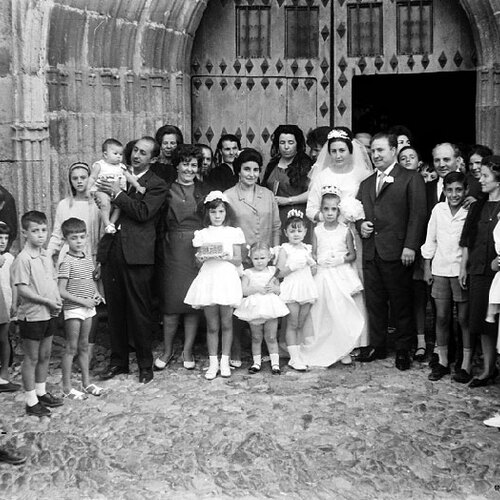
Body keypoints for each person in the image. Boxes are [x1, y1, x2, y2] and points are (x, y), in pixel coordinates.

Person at [97, 136, 168, 384]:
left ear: (154, 158)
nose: (136, 155)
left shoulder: (156, 184)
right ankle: (119, 363)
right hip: (113, 251)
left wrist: (117, 194)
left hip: (138, 255)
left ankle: (145, 365)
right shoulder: (117, 172)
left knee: (140, 312)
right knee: (114, 311)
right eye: (135, 150)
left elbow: (143, 213)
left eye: (143, 153)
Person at [356, 132, 427, 370]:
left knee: (401, 302)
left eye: (380, 150)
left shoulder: (410, 178)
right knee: (375, 302)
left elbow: (417, 215)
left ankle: (403, 349)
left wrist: (410, 246)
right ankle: (377, 344)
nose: (375, 155)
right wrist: (361, 225)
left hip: (397, 250)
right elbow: (359, 212)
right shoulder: (366, 183)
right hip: (372, 251)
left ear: (394, 150)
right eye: (373, 151)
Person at [306, 127, 372, 349]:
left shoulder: (361, 175)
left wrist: (353, 218)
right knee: (327, 287)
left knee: (353, 283)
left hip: (353, 235)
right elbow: (310, 209)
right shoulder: (322, 175)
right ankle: (330, 337)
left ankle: (356, 338)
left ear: (350, 150)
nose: (338, 155)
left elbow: (369, 204)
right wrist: (328, 219)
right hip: (328, 236)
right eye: (333, 151)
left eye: (342, 150)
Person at [154, 144, 210, 371]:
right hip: (172, 248)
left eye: (193, 165)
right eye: (185, 164)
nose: (189, 169)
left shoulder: (204, 191)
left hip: (196, 249)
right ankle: (167, 350)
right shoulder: (166, 190)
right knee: (171, 303)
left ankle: (188, 349)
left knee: (192, 303)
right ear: (177, 165)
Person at [225, 148, 281, 367]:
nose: (251, 174)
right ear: (238, 170)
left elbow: (276, 225)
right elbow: (226, 227)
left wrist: (274, 251)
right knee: (240, 302)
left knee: (267, 301)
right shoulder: (229, 195)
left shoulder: (266, 194)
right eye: (246, 169)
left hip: (264, 257)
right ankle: (237, 349)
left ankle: (268, 349)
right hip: (241, 258)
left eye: (255, 170)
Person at [184, 191, 245, 380]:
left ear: (226, 212)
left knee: (227, 322)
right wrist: (201, 258)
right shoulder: (202, 234)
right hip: (209, 280)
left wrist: (227, 256)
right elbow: (197, 262)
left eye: (220, 212)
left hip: (226, 278)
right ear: (207, 213)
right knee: (212, 325)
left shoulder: (233, 232)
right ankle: (213, 363)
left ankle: (225, 361)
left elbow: (238, 259)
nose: (218, 216)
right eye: (213, 212)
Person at [47, 162, 103, 368]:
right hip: (69, 259)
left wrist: (100, 261)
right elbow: (57, 234)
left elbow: (100, 234)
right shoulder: (64, 204)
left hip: (91, 259)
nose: (79, 181)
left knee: (92, 305)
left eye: (83, 177)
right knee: (73, 306)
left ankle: (88, 352)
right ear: (70, 181)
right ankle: (75, 350)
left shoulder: (96, 203)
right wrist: (47, 255)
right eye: (75, 178)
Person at [300, 189, 365, 367]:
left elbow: (352, 254)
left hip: (340, 273)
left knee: (341, 310)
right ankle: (325, 345)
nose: (330, 213)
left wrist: (340, 259)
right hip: (322, 273)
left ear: (339, 211)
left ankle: (343, 347)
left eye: (334, 209)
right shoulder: (317, 230)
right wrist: (317, 260)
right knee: (322, 310)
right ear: (321, 210)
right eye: (326, 209)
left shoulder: (345, 231)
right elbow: (313, 251)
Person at [12, 211, 63, 417]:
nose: (40, 235)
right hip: (33, 315)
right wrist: (47, 301)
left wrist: (56, 299)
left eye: (43, 230)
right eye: (35, 231)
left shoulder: (45, 255)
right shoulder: (23, 258)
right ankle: (31, 401)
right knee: (31, 358)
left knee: (45, 355)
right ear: (25, 233)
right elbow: (23, 289)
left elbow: (50, 281)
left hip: (49, 313)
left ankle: (41, 392)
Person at [421, 172, 470, 381]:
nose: (454, 194)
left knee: (464, 318)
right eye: (449, 190)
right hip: (440, 269)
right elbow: (430, 239)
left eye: (458, 190)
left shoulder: (470, 210)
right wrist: (427, 266)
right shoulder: (438, 210)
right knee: (441, 316)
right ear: (444, 191)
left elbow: (470, 243)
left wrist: (465, 268)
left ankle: (465, 363)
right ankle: (442, 361)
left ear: (466, 190)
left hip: (460, 271)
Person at [459, 155, 500, 387]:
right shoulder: (477, 206)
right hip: (478, 270)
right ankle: (487, 369)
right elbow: (467, 239)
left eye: (485, 176)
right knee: (483, 321)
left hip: (498, 275)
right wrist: (464, 266)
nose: (481, 180)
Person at [58, 218, 104, 399]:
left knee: (84, 346)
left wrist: (96, 294)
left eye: (82, 237)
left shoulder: (87, 259)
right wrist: (82, 301)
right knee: (72, 347)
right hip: (74, 309)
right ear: (66, 240)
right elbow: (61, 290)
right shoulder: (66, 262)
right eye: (74, 238)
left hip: (88, 308)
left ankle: (86, 383)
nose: (78, 241)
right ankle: (67, 387)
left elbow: (90, 281)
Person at [234, 242, 288, 374]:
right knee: (256, 337)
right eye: (256, 259)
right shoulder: (248, 273)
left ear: (269, 257)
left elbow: (279, 289)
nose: (259, 262)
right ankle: (256, 363)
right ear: (250, 259)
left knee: (271, 336)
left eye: (262, 258)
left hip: (270, 306)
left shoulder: (272, 271)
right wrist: (256, 288)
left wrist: (275, 288)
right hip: (255, 307)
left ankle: (275, 364)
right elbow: (244, 290)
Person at [399, 145, 430, 361]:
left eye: (412, 157)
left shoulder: (426, 185)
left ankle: (422, 340)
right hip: (402, 247)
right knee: (403, 295)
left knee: (420, 296)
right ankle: (405, 338)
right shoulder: (398, 184)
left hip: (423, 246)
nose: (408, 160)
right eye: (403, 158)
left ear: (419, 161)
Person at [277, 209, 318, 371]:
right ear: (286, 232)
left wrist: (311, 264)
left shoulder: (307, 249)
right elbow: (279, 271)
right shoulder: (284, 249)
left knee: (301, 322)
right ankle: (294, 358)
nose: (296, 234)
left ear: (305, 232)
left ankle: (297, 353)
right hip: (292, 288)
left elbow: (313, 271)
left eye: (299, 230)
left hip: (306, 287)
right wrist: (293, 266)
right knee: (292, 322)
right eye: (292, 230)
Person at [262, 125, 312, 240]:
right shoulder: (272, 164)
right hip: (274, 215)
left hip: (296, 215)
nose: (286, 147)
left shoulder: (305, 165)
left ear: (297, 144)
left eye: (290, 142)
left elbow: (312, 192)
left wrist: (288, 201)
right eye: (282, 143)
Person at [89, 138, 144, 235]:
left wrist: (138, 186)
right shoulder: (100, 165)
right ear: (105, 154)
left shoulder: (121, 167)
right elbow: (93, 177)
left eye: (120, 154)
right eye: (115, 154)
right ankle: (106, 222)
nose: (119, 157)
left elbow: (129, 177)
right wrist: (88, 187)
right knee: (105, 204)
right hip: (102, 190)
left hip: (117, 193)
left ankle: (111, 224)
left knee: (118, 207)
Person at [0, 221, 19, 392]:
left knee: (4, 338)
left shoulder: (10, 258)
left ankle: (4, 375)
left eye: (5, 238)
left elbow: (13, 283)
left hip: (5, 303)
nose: (2, 241)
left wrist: (14, 302)